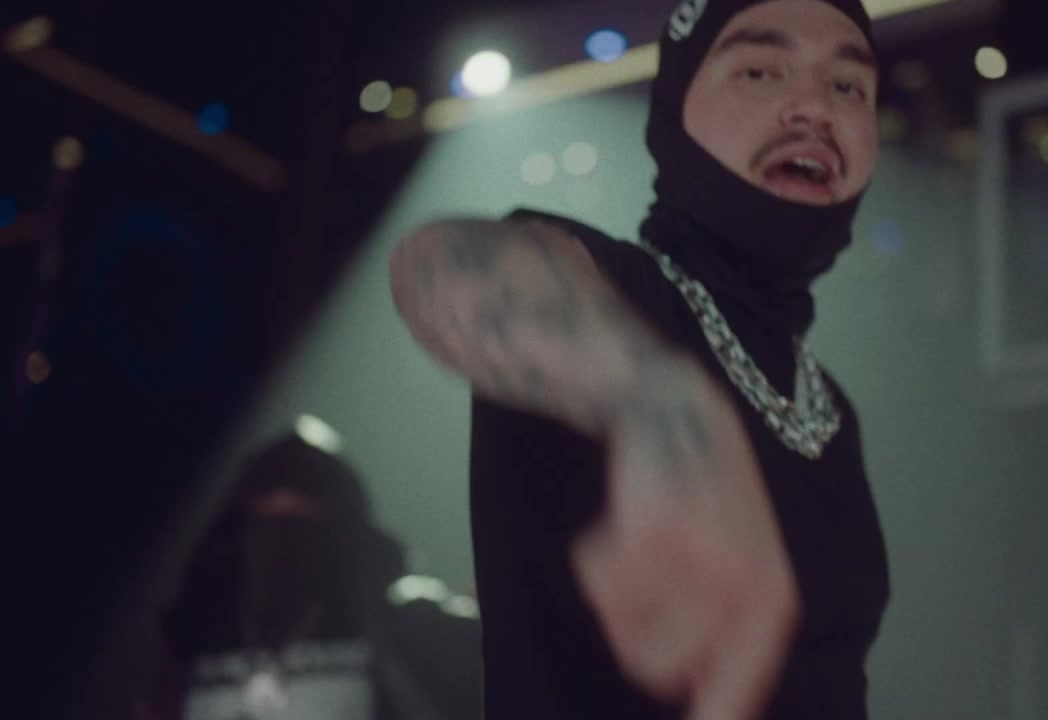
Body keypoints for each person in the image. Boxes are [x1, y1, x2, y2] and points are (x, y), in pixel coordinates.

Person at [389, 1, 890, 718]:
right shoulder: (611, 287)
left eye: (848, 86)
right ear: (673, 111)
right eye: (760, 71)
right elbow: (443, 264)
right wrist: (655, 402)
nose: (814, 107)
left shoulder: (830, 410)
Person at [141, 434, 482, 720]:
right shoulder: (193, 636)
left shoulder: (400, 625)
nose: (279, 544)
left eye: (300, 515)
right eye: (267, 514)